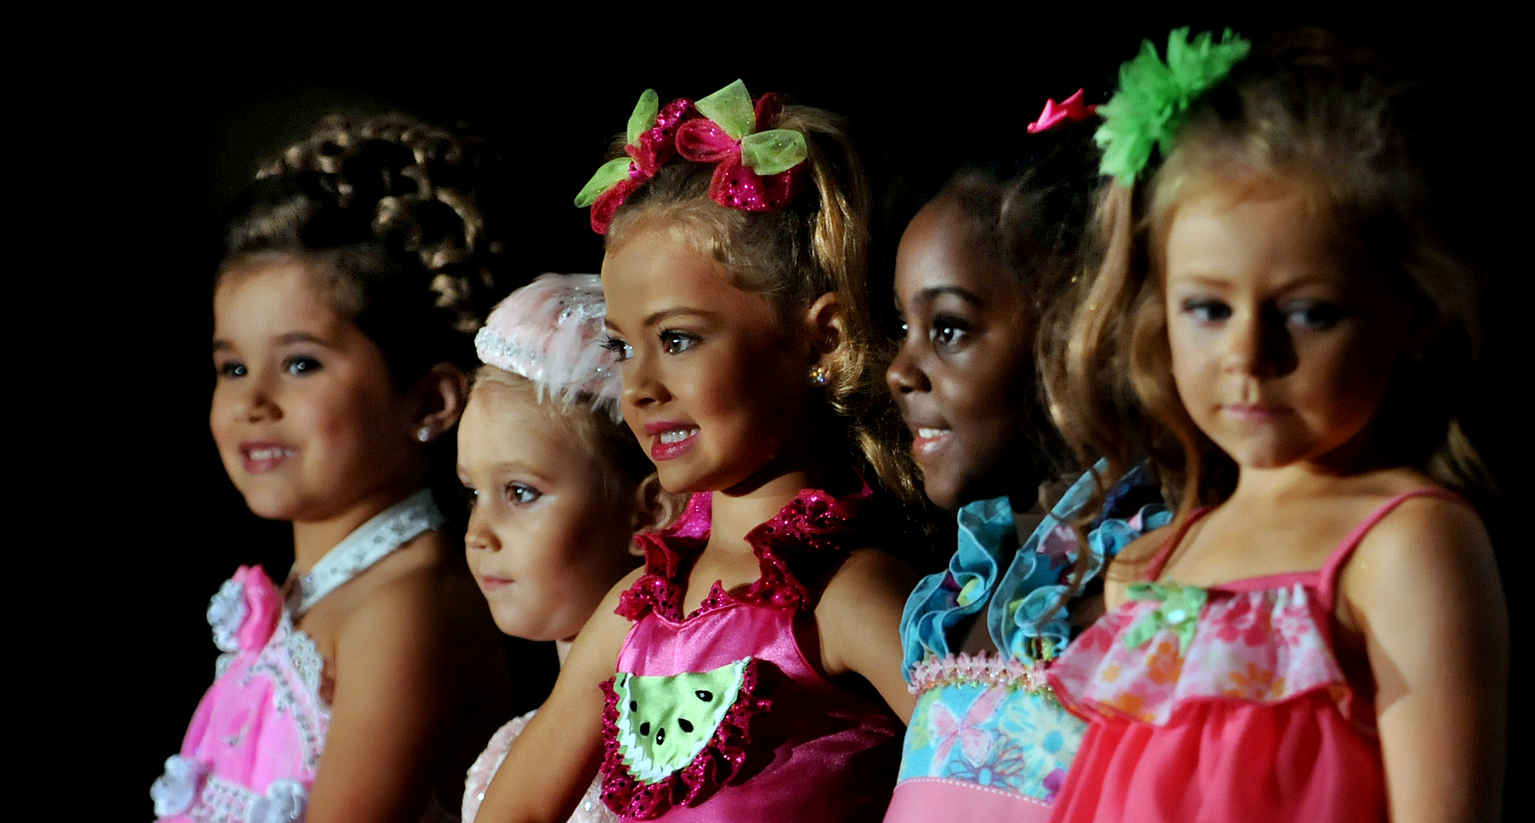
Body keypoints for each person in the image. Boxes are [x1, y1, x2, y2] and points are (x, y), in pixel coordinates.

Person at [1042, 29, 1507, 823]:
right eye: (1208, 308)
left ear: (1414, 312)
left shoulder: (1406, 543)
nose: (1249, 355)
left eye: (1309, 312)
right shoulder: (1152, 562)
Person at [475, 80, 921, 823]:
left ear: (824, 338)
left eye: (678, 339)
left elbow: (991, 780)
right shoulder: (634, 611)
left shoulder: (849, 599)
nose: (639, 387)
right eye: (623, 348)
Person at [150, 115, 511, 823]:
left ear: (429, 401)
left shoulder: (404, 610)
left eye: (300, 364)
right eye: (233, 368)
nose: (253, 402)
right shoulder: (313, 596)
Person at [883, 98, 1168, 823]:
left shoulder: (1149, 582)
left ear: (1079, 328)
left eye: (949, 328)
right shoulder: (953, 605)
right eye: (903, 325)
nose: (900, 370)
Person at [459, 273, 678, 822]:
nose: (478, 533)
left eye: (520, 493)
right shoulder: (505, 756)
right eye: (473, 493)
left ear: (649, 511)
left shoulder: (682, 750)